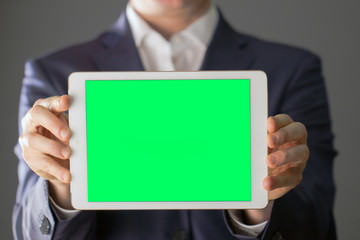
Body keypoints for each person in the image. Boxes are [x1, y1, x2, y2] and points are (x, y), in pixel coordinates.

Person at [12, 0, 337, 239]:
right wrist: (59, 185)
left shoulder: (292, 69)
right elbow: (30, 231)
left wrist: (260, 205)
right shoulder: (53, 71)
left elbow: (316, 225)